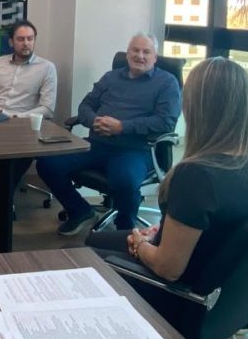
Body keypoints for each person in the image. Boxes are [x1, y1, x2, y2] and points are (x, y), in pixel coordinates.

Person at [86, 56, 248, 291]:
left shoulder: (196, 175)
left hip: (176, 293)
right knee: (93, 239)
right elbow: (214, 226)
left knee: (75, 257)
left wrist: (140, 243)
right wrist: (163, 232)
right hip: (215, 279)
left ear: (197, 108)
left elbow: (167, 268)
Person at [37, 33, 181, 235]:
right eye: (135, 50)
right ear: (127, 54)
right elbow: (85, 106)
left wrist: (122, 127)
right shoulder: (111, 77)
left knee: (124, 180)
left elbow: (165, 121)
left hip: (136, 150)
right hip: (97, 144)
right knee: (47, 163)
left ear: (155, 57)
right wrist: (93, 121)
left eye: (146, 52)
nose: (140, 56)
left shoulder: (167, 83)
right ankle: (80, 211)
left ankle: (125, 232)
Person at [0, 19, 57, 118]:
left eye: (30, 39)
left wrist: (16, 117)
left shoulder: (47, 68)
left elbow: (47, 109)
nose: (26, 43)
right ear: (11, 42)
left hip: (19, 121)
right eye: (21, 39)